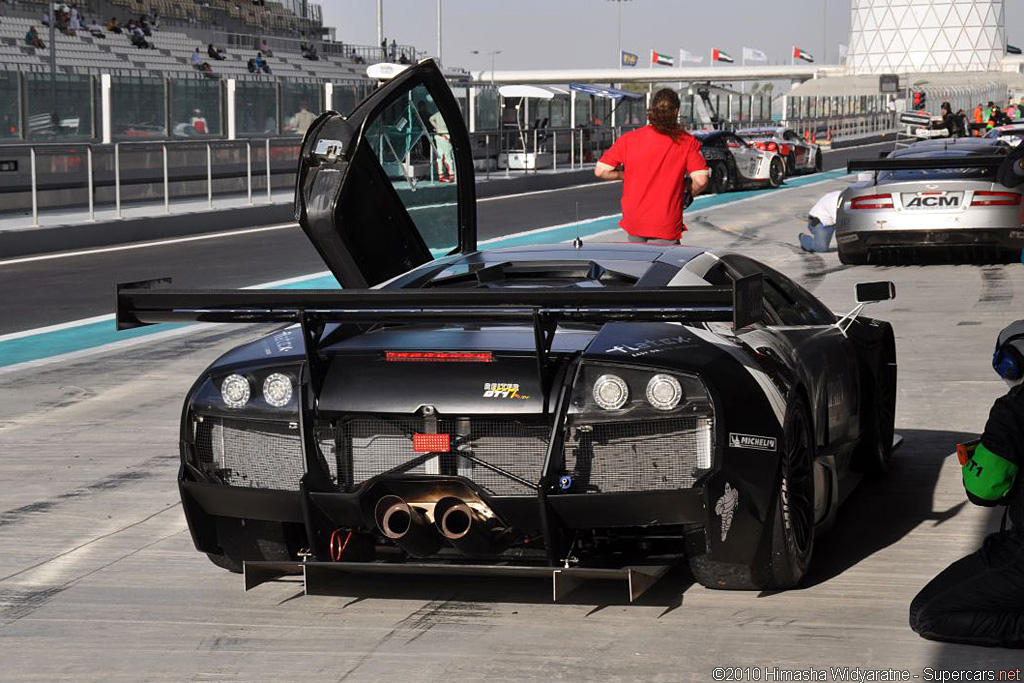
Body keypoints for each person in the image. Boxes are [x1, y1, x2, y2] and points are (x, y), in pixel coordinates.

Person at [909, 321, 1024, 648]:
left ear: (1011, 364)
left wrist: (976, 461)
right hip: (1015, 545)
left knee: (927, 614)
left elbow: (983, 491)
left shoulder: (1013, 410)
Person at [593, 88, 710, 245]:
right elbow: (701, 180)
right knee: (666, 267)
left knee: (637, 266)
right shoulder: (686, 142)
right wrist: (688, 192)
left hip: (635, 220)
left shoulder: (629, 139)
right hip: (666, 221)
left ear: (652, 109)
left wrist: (625, 175)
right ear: (676, 111)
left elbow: (601, 171)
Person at [428, 105, 454, 182]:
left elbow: (430, 119)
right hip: (446, 136)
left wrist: (436, 127)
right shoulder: (448, 115)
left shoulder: (438, 114)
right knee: (448, 157)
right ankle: (451, 175)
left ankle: (441, 175)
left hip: (438, 136)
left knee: (439, 156)